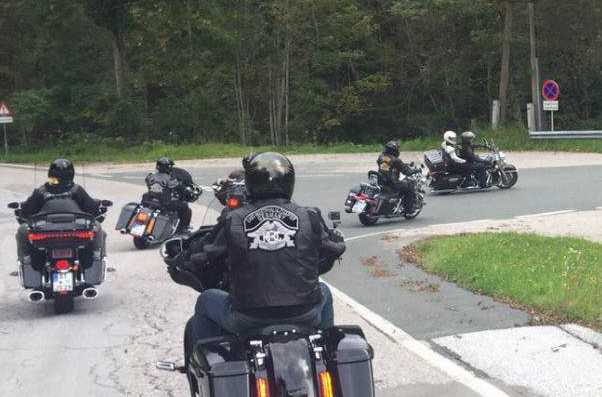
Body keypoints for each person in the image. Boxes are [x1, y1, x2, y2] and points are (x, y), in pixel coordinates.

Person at [184, 151, 345, 349]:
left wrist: (186, 255)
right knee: (324, 291)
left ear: (250, 183)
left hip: (248, 316)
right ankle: (326, 348)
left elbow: (203, 253)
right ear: (289, 183)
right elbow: (334, 247)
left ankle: (211, 356)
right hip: (304, 313)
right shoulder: (309, 216)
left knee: (206, 299)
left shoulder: (233, 219)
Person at [14, 158, 106, 268]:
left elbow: (27, 212)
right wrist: (100, 208)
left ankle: (26, 262)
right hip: (75, 231)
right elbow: (92, 209)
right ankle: (96, 259)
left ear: (50, 173)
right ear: (72, 173)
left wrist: (21, 212)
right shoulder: (77, 190)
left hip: (46, 232)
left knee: (22, 230)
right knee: (98, 228)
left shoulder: (41, 192)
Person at [146, 156, 200, 230]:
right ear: (167, 167)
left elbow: (149, 183)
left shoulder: (150, 176)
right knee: (185, 208)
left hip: (149, 199)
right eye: (170, 166)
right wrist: (188, 192)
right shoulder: (169, 178)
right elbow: (179, 188)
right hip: (164, 202)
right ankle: (183, 229)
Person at [376, 139, 421, 214]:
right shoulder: (396, 160)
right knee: (410, 187)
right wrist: (417, 170)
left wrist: (402, 166)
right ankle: (409, 209)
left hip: (381, 181)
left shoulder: (381, 157)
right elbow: (407, 172)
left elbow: (388, 165)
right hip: (392, 184)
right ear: (395, 150)